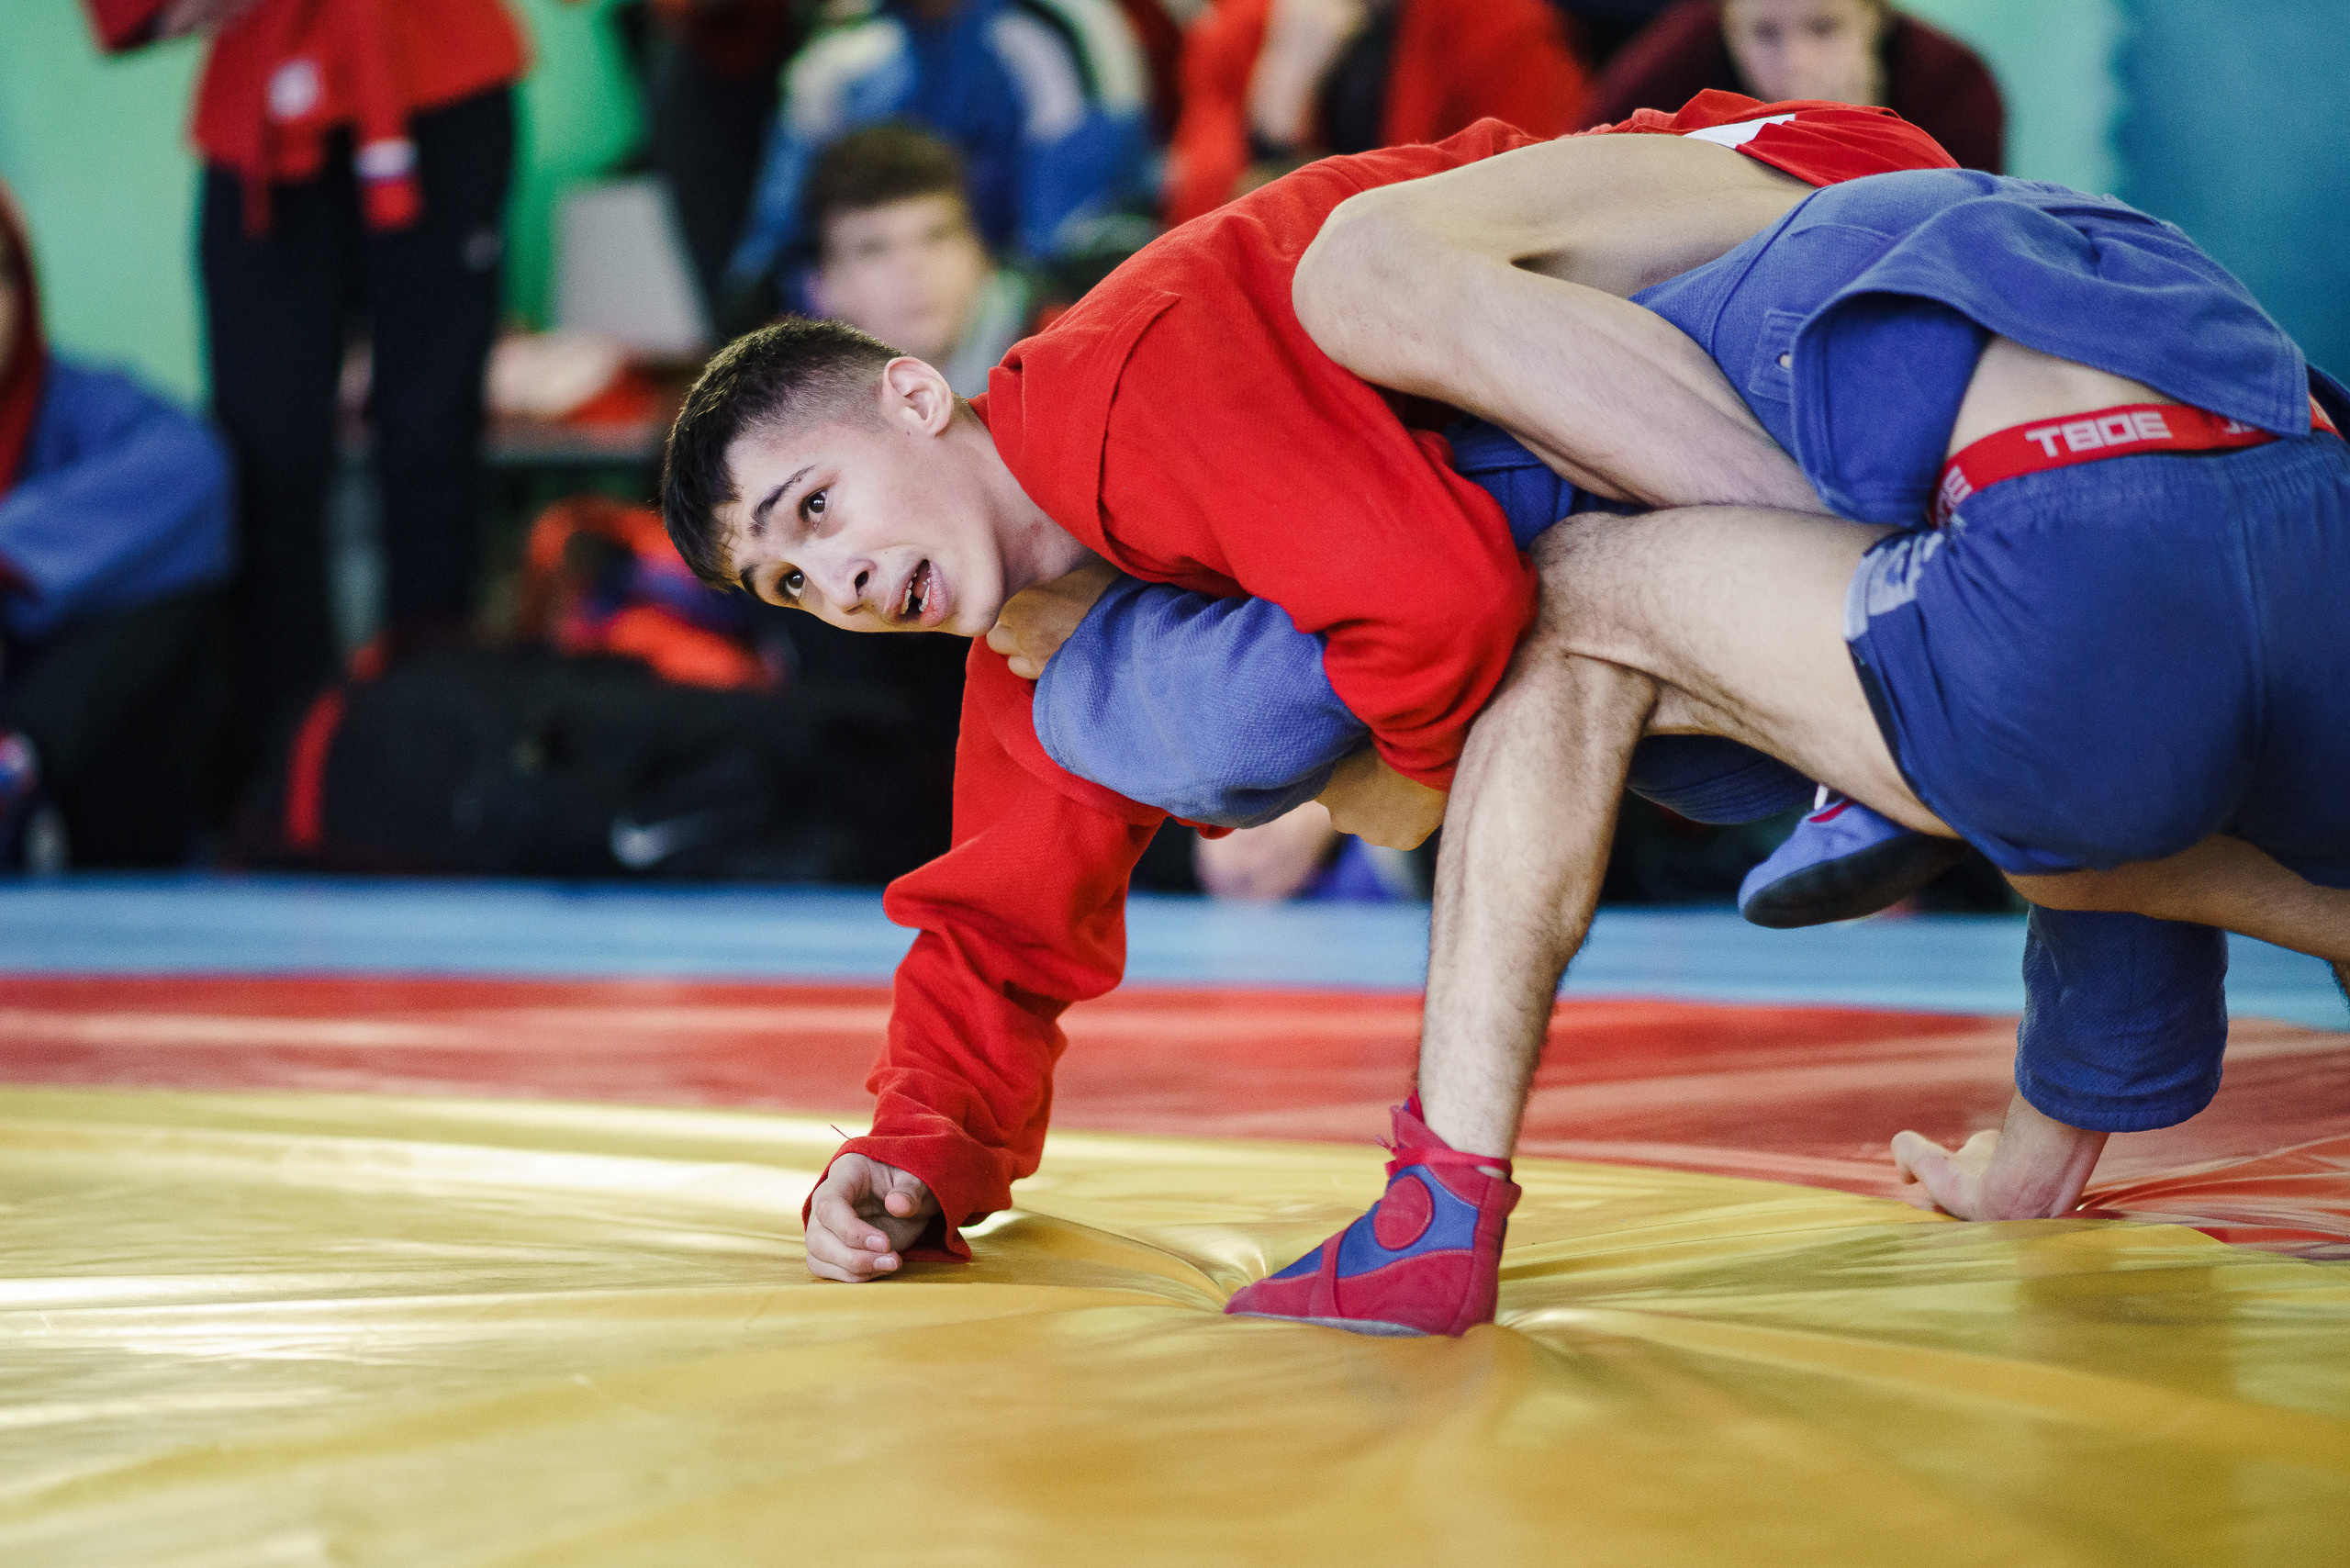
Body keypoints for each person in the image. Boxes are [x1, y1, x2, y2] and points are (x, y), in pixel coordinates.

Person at [657, 95, 1962, 1288]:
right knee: (1124, 699)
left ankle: (1868, 666)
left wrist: (1391, 775)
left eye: (817, 508)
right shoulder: (1043, 637)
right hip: (1734, 412)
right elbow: (1000, 932)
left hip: (1784, 224)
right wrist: (911, 1151)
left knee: (1343, 650)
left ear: (914, 393)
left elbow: (1440, 602)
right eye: (789, 584)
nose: (838, 581)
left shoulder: (1125, 381)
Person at [1187, 148, 2350, 1331]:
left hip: (2060, 558)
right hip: (2309, 504)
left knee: (1572, 599)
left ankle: (1430, 1221)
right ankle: (1909, 774)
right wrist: (2034, 1163)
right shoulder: (2056, 224)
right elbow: (2157, 663)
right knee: (2115, 751)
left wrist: (1862, 730)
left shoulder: (1675, 287)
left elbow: (2103, 625)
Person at [84, 0, 527, 745]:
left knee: (432, 449)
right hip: (263, 91)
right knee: (263, 461)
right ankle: (288, 773)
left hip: (434, 67)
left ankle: (435, 756)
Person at [0, 185, 234, 869]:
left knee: (173, 590)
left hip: (81, 749)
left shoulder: (77, 403)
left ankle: (15, 757)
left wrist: (16, 556)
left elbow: (195, 470)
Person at [723, 0, 1154, 316]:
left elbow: (1078, 251)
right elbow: (770, 268)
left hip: (1014, 329)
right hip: (858, 339)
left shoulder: (1055, 30)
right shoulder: (836, 58)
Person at [1162, 0, 1590, 226]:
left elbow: (1548, 197)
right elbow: (1192, 220)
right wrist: (1277, 108)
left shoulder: (1499, 27)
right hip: (1287, 289)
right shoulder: (1247, 27)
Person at [1583, 0, 2002, 174]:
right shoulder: (1669, 72)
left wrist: (1858, 137)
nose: (1798, 61)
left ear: (1877, 19)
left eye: (1824, 29)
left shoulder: (1954, 87)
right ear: (1726, 25)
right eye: (1765, 35)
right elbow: (1579, 162)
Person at [802, 126, 1056, 399]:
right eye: (873, 250)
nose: (911, 268)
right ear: (821, 289)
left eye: (936, 236)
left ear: (982, 253)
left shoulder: (1062, 350)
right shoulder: (796, 406)